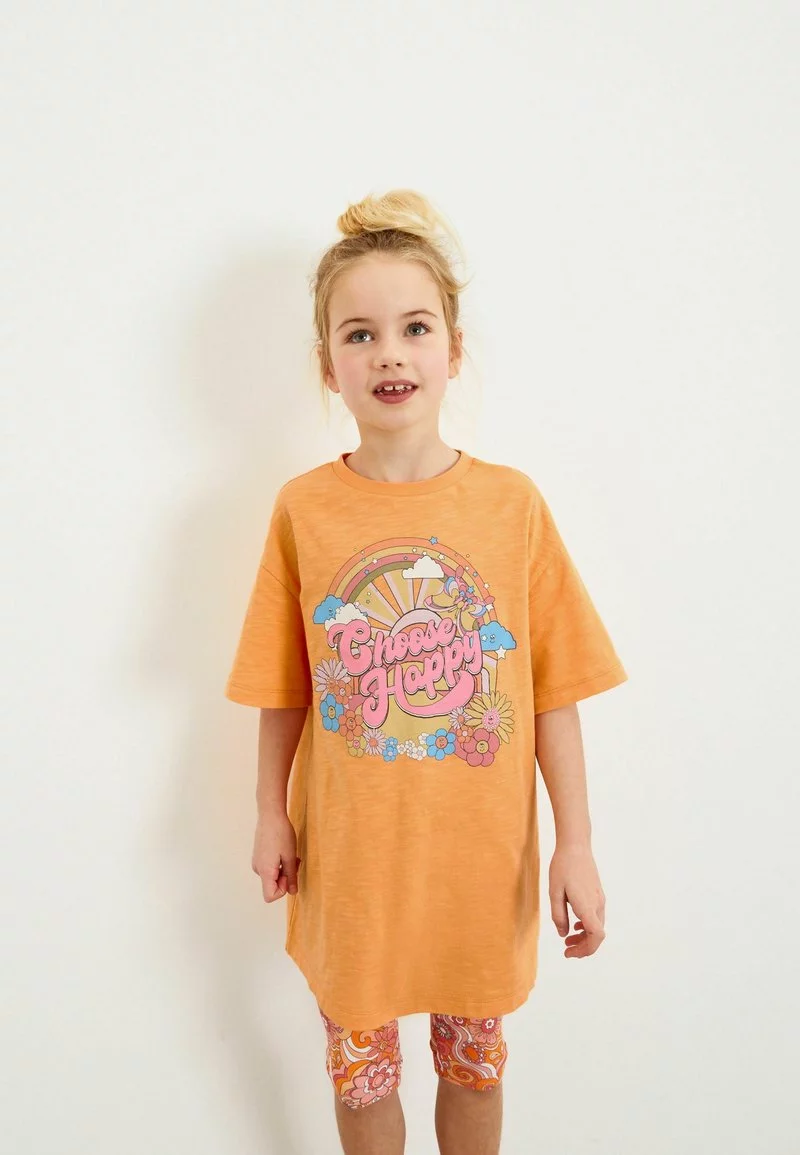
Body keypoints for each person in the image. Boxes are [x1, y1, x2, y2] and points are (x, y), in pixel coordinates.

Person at [224, 188, 628, 1155]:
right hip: (354, 870)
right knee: (362, 1078)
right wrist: (271, 810)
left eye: (414, 327)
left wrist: (575, 843)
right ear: (328, 364)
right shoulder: (304, 510)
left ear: (453, 348)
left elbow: (553, 691)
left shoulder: (511, 506)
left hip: (478, 868)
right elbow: (284, 686)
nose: (390, 354)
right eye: (359, 334)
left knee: (474, 1069)